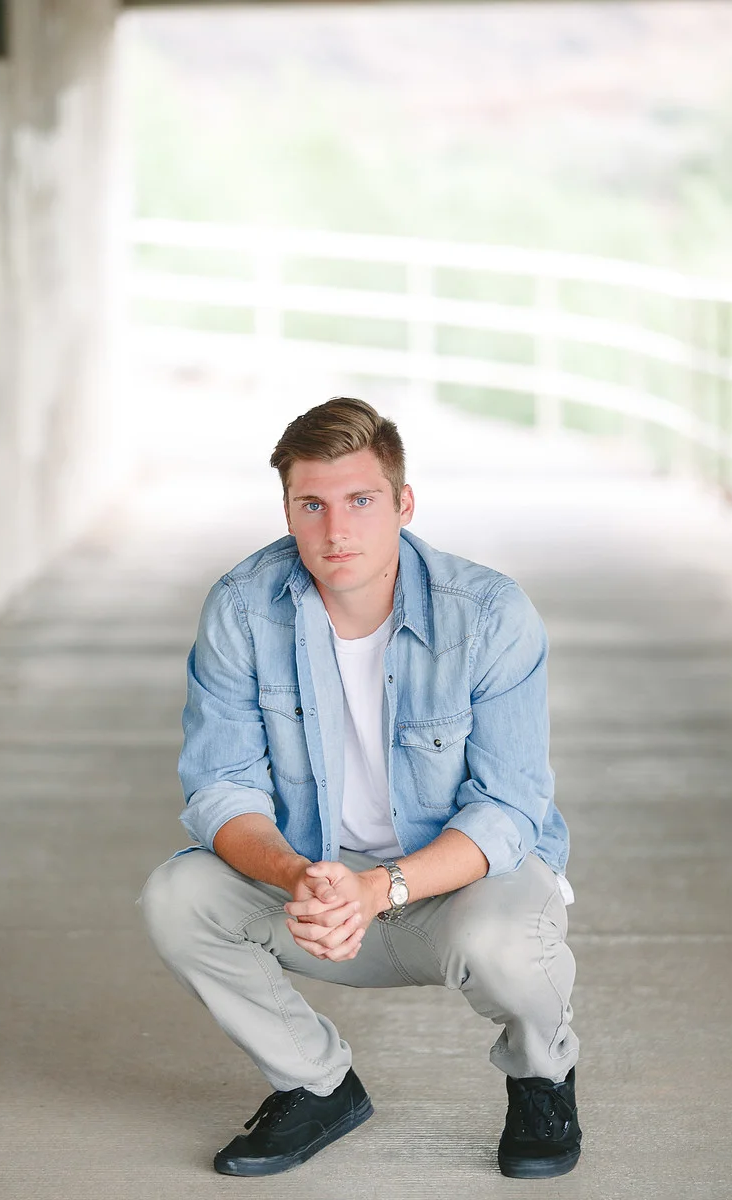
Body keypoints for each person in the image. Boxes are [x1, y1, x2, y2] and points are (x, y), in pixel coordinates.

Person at [140, 397, 581, 1180]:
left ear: (404, 504)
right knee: (178, 896)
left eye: (361, 501)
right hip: (321, 885)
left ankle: (542, 1076)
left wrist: (380, 889)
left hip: (458, 889)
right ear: (287, 510)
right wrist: (299, 876)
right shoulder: (242, 608)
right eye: (311, 504)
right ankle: (317, 1085)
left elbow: (510, 811)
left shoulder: (489, 615)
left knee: (508, 943)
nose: (335, 530)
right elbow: (221, 787)